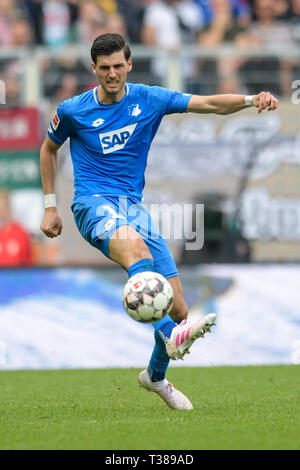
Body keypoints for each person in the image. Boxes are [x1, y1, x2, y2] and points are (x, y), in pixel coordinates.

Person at [40, 33, 278, 410]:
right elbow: (48, 148)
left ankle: (155, 375)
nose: (112, 74)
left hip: (132, 208)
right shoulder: (73, 110)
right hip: (93, 204)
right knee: (136, 253)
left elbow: (211, 104)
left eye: (119, 66)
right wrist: (51, 206)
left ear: (129, 64)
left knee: (179, 309)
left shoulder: (149, 98)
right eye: (104, 68)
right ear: (94, 69)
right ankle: (169, 335)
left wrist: (252, 99)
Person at [0, 190, 33, 267]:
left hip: (17, 277)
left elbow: (28, 262)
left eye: (1, 208)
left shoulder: (20, 233)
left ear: (8, 208)